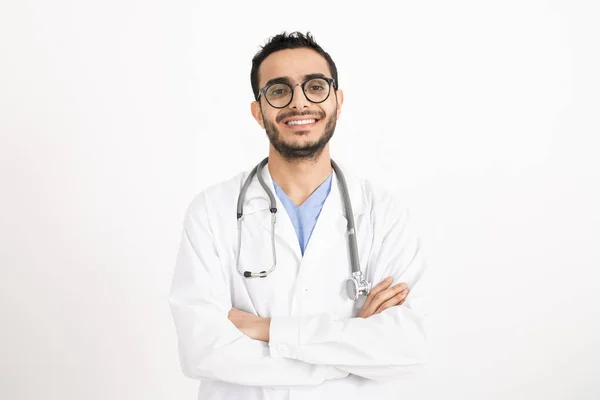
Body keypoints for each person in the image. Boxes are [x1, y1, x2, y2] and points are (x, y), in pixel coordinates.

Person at [168, 31, 431, 400]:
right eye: (279, 91)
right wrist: (354, 345)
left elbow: (407, 347)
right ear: (258, 112)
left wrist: (268, 330)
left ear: (338, 101)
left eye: (315, 87)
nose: (299, 103)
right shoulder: (212, 211)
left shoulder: (382, 213)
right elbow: (202, 350)